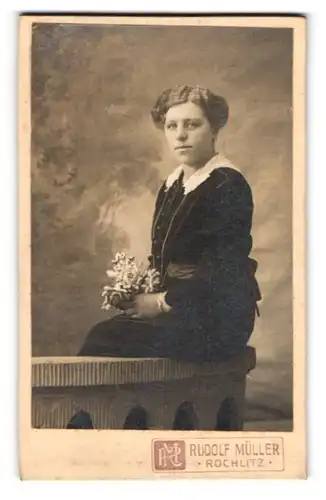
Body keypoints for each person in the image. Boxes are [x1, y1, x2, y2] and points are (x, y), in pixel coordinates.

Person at [78, 84, 261, 362]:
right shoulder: (173, 184)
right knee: (105, 335)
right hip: (182, 308)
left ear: (213, 130)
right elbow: (164, 257)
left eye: (192, 124)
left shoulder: (227, 184)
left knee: (106, 339)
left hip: (219, 318)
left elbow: (223, 268)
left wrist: (162, 302)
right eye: (172, 126)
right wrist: (139, 293)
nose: (181, 135)